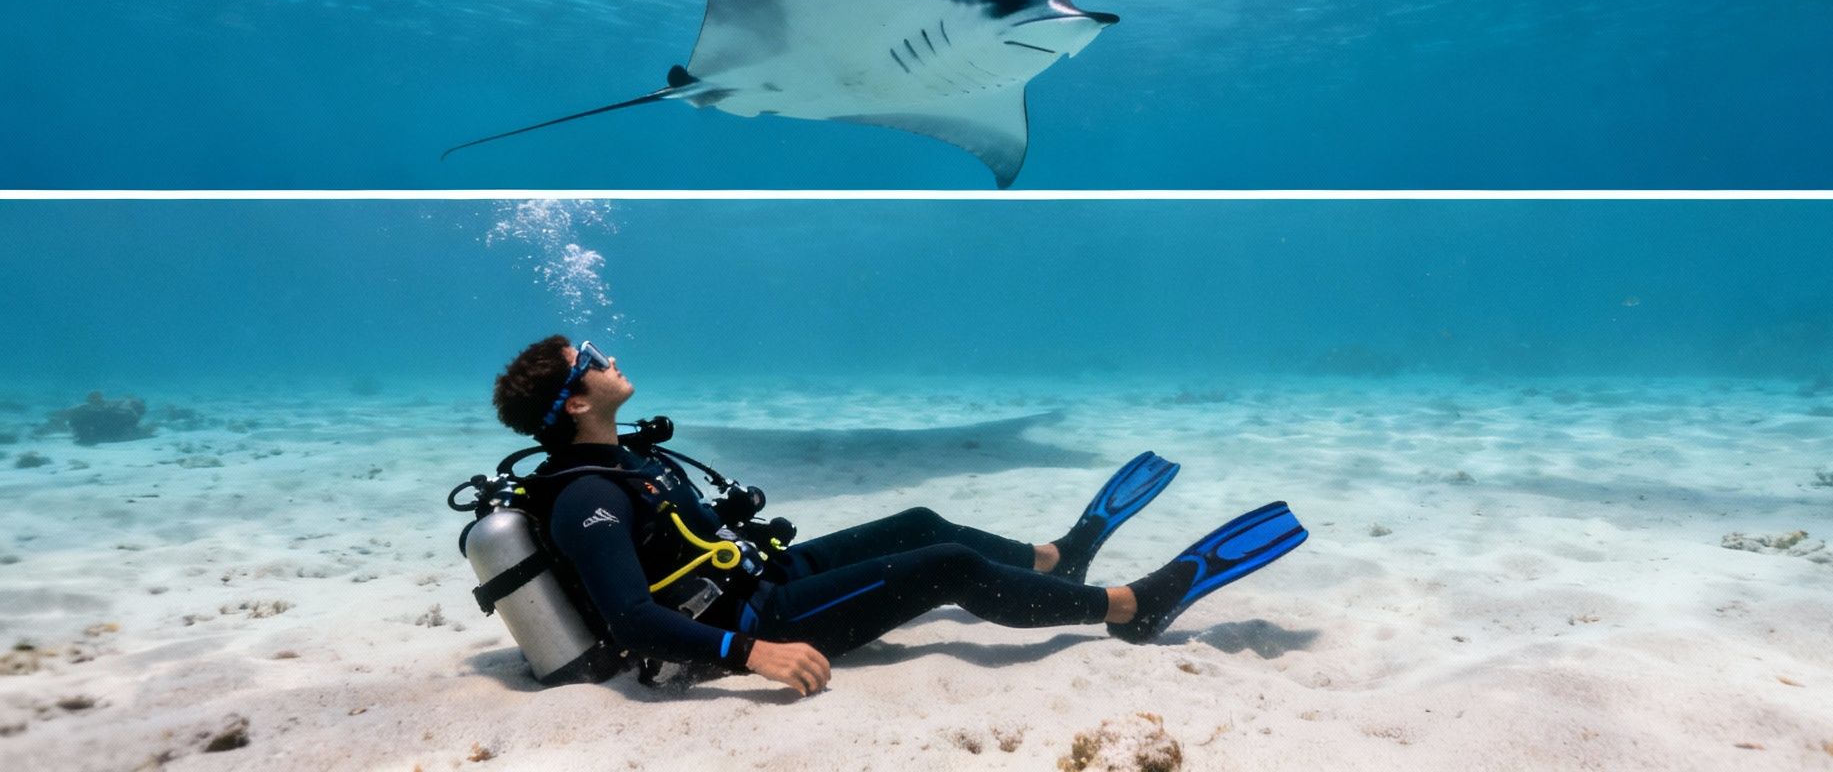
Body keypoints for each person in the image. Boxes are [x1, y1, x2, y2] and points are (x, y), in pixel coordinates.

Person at [487, 335, 1308, 695]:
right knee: (944, 570)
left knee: (920, 520)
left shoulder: (621, 457)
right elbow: (632, 620)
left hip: (762, 577)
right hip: (751, 618)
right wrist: (757, 655)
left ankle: (1058, 557)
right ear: (575, 400)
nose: (609, 359)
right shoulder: (586, 496)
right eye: (590, 362)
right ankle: (1132, 608)